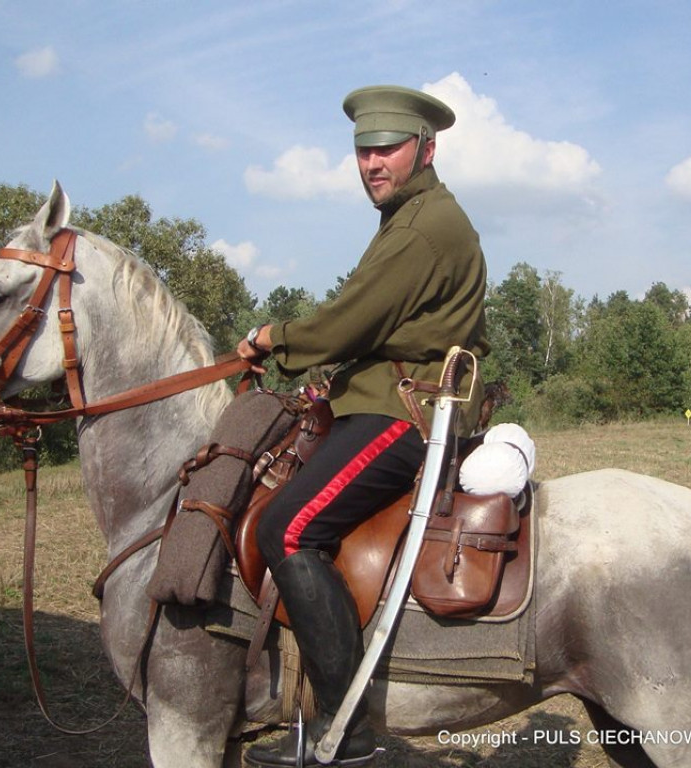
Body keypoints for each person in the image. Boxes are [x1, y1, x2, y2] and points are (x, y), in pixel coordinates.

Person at [238, 84, 490, 768]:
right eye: (363, 150)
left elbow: (349, 319)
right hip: (383, 393)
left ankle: (345, 734)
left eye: (387, 148)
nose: (372, 163)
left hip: (402, 413)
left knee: (285, 528)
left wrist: (272, 338)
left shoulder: (420, 228)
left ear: (426, 149)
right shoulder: (414, 216)